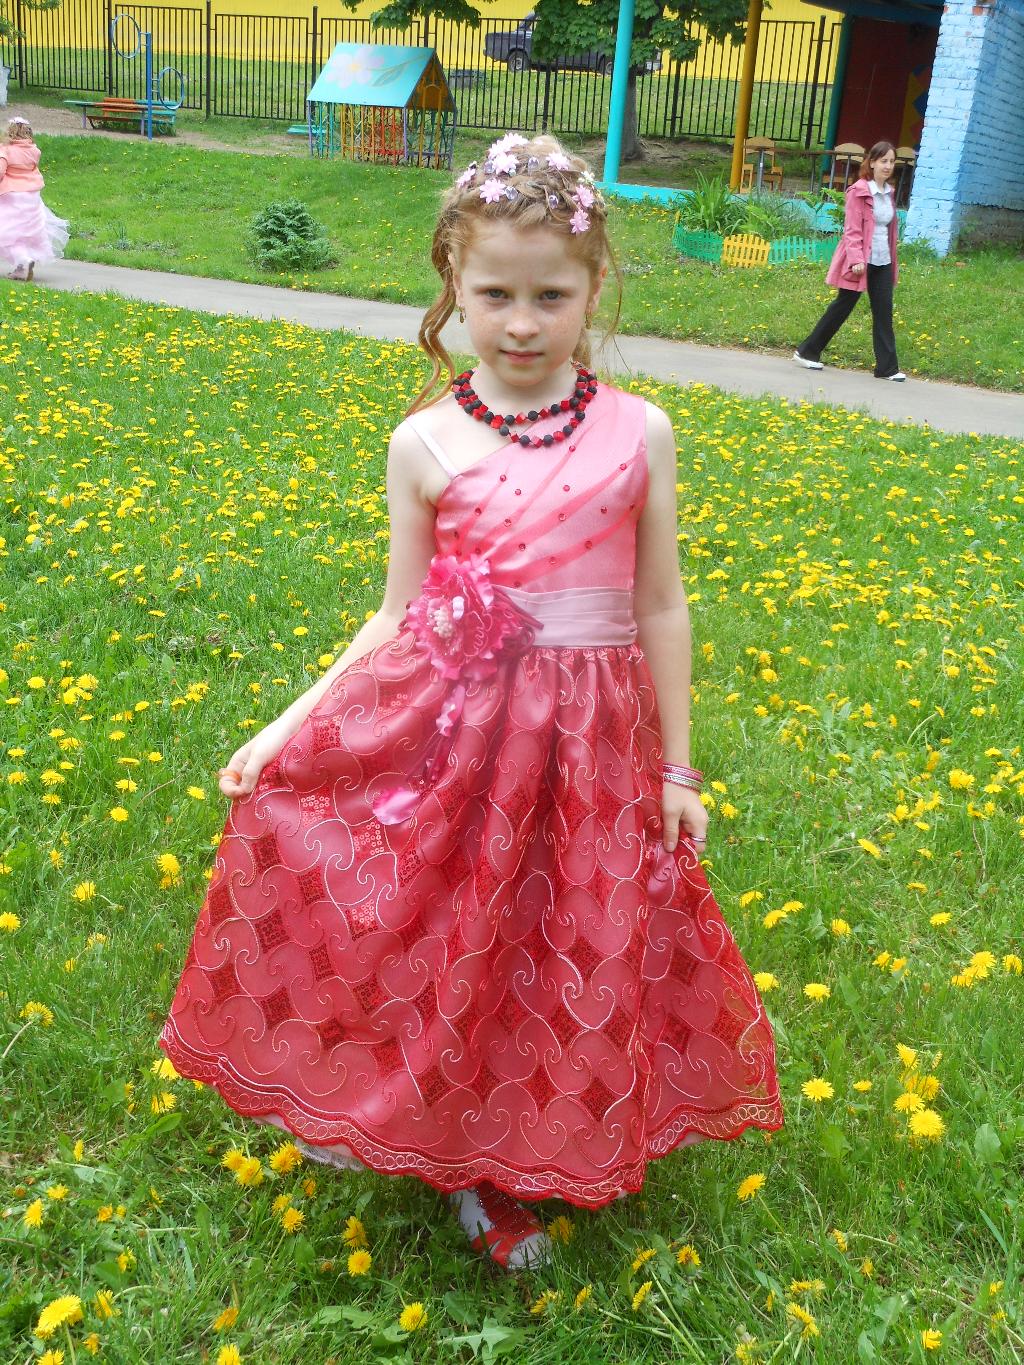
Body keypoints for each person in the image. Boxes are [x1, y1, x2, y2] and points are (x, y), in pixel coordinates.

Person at [159, 132, 783, 1272]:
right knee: (459, 937)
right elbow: (394, 617)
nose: (523, 323)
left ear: (595, 287)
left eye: (553, 296)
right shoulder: (423, 443)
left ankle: (531, 1141)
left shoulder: (639, 431)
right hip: (458, 740)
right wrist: (283, 726)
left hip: (591, 746)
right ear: (454, 282)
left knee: (567, 937)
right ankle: (459, 1156)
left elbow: (660, 605)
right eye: (495, 295)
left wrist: (677, 766)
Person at [794, 140, 906, 381]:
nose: (888, 166)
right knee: (842, 307)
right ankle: (807, 352)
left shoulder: (888, 193)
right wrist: (856, 259)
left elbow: (888, 230)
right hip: (861, 262)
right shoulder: (859, 191)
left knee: (884, 312)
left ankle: (887, 368)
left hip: (883, 261)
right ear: (872, 162)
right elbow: (852, 229)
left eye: (891, 161)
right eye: (883, 161)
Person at [0, 115, 69, 281]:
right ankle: (20, 269)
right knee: (27, 232)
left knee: (8, 232)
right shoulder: (34, 151)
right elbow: (33, 170)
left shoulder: (5, 150)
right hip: (32, 196)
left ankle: (24, 259)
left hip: (12, 195)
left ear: (10, 132)